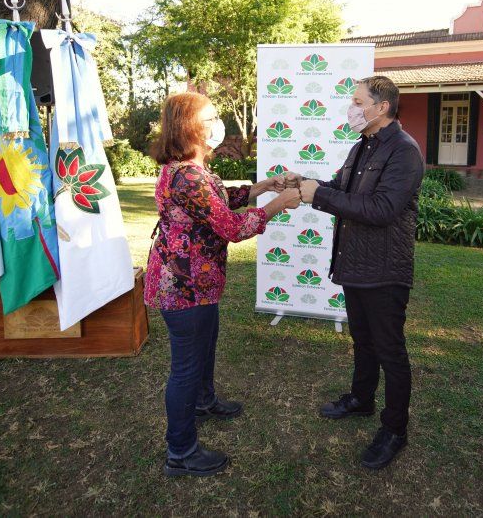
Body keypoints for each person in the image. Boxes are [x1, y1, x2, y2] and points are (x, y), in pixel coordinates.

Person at [145, 92, 301, 478]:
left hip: (198, 283)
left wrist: (264, 185)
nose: (218, 124)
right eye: (210, 117)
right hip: (184, 287)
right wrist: (277, 204)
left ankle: (204, 401)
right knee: (185, 367)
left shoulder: (189, 170)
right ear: (189, 126)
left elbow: (220, 200)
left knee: (205, 345)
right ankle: (180, 452)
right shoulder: (187, 176)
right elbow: (230, 227)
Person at [292, 75, 424, 470]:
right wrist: (305, 185)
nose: (351, 108)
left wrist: (323, 194)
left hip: (385, 269)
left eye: (357, 101)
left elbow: (383, 210)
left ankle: (395, 429)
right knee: (363, 341)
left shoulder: (403, 151)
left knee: (390, 350)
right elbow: (342, 190)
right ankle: (361, 400)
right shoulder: (362, 145)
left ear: (381, 106)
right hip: (356, 264)